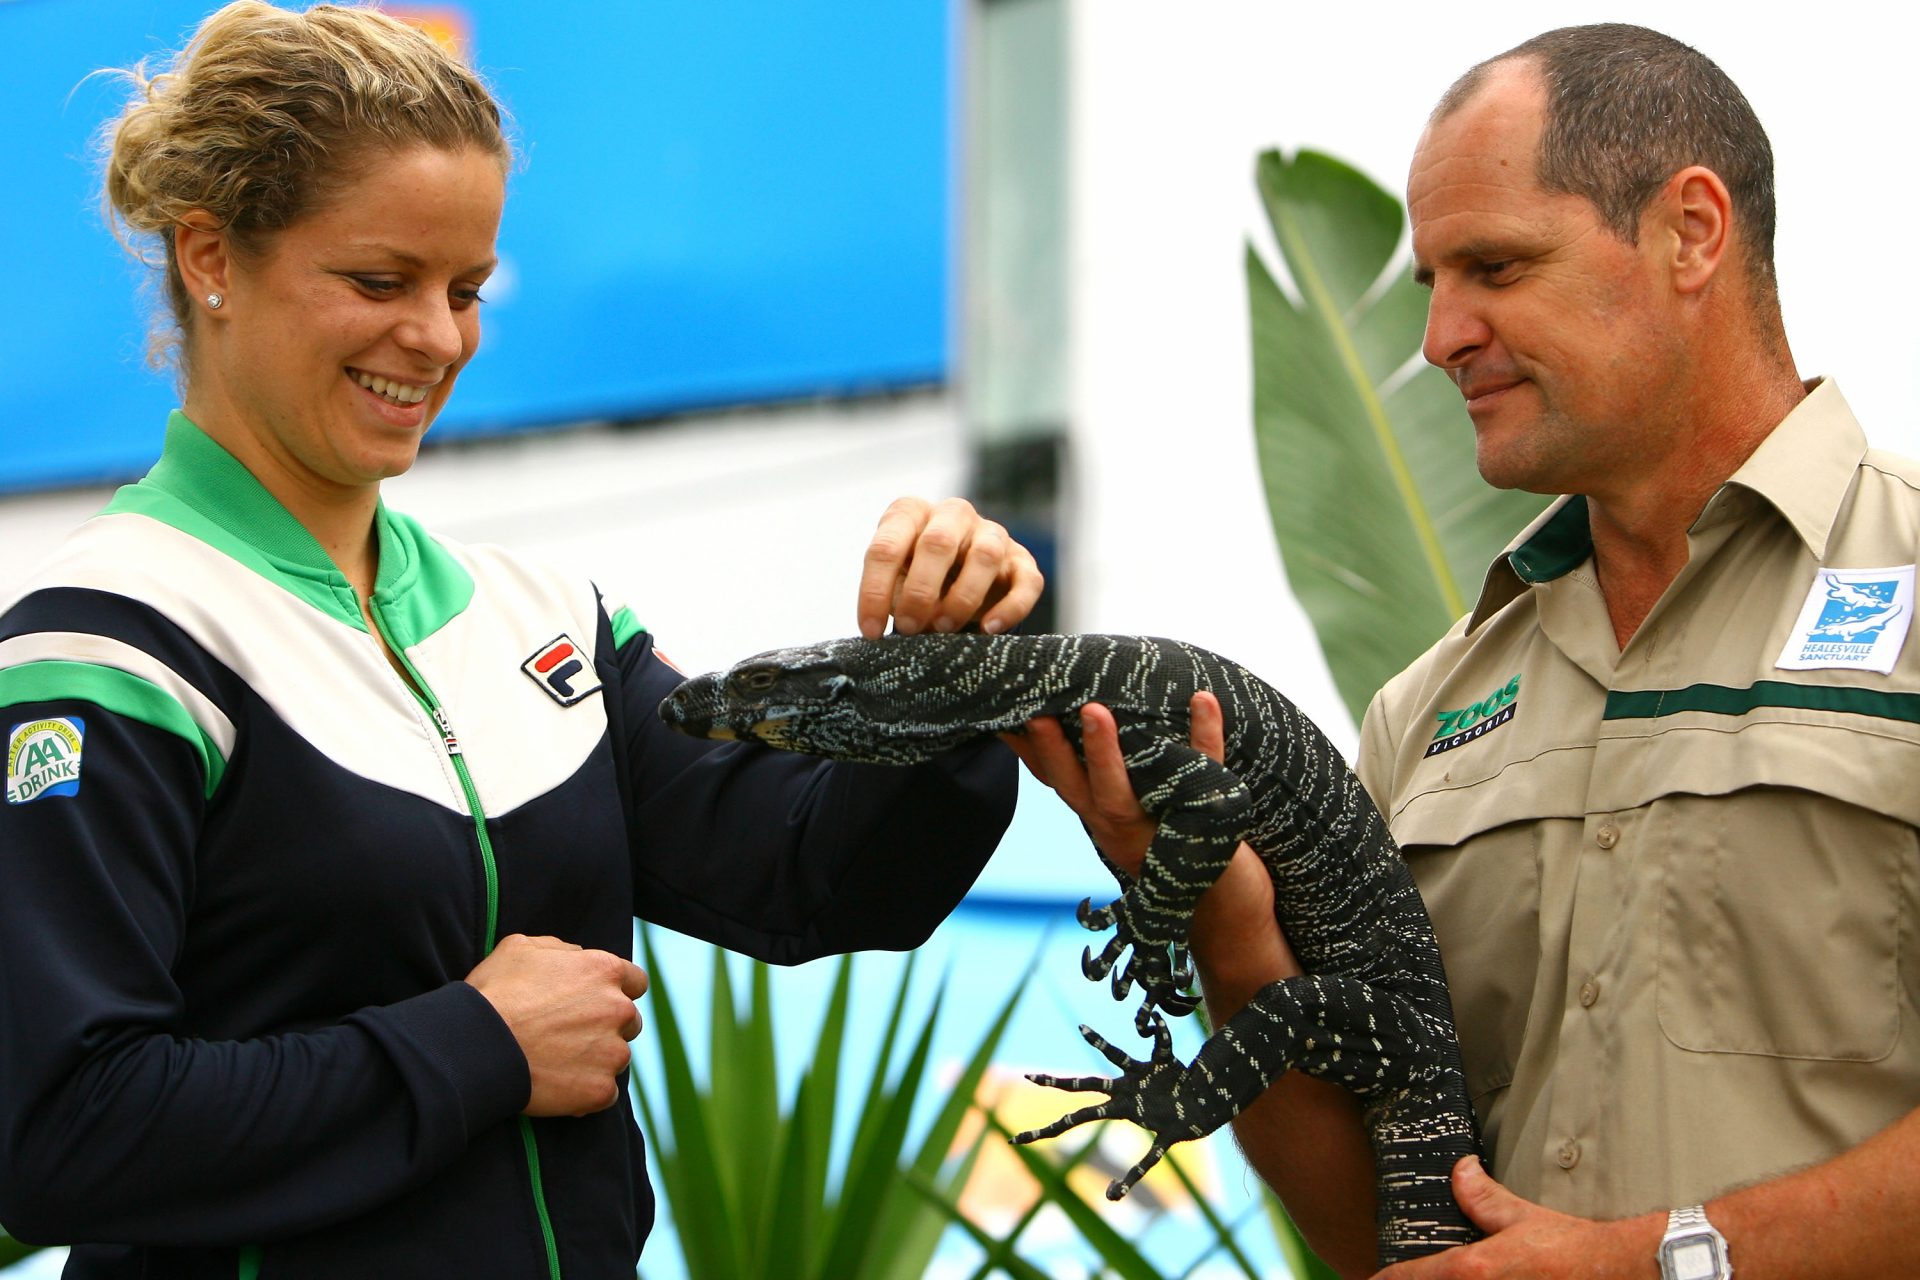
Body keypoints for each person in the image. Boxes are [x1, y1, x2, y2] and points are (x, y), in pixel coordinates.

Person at [0, 4, 1040, 1275]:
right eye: (379, 282)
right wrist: (478, 1046)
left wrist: (946, 666)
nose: (437, 338)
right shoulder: (107, 644)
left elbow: (817, 874)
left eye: (466, 288)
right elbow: (63, 1126)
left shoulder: (542, 617)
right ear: (211, 256)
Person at [1015, 23, 1920, 1280]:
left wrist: (1652, 1260)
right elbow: (1376, 1224)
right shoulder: (1427, 705)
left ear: (1691, 233)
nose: (1440, 336)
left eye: (1495, 266)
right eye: (1433, 278)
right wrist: (1229, 927)